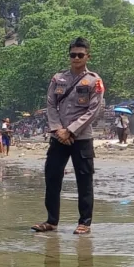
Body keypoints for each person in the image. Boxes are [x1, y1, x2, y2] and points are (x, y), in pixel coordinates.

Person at [34, 37, 105, 235]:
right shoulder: (58, 79)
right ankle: (51, 221)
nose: (76, 58)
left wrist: (71, 130)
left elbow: (94, 110)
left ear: (87, 56)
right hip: (59, 137)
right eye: (73, 54)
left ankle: (84, 223)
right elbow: (51, 104)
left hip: (81, 137)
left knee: (84, 180)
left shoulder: (94, 81)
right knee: (52, 177)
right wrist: (58, 130)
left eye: (80, 55)